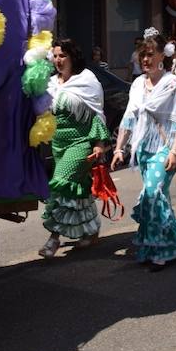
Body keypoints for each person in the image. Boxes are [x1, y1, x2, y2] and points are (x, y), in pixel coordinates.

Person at [110, 28, 176, 269]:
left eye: (151, 54)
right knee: (159, 198)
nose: (145, 59)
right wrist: (119, 149)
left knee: (152, 194)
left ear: (163, 55)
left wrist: (175, 151)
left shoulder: (172, 82)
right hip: (143, 148)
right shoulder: (137, 84)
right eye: (143, 54)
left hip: (166, 146)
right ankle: (168, 243)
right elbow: (129, 117)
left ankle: (161, 248)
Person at [38, 39, 109, 258]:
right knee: (76, 188)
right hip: (58, 145)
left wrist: (99, 144)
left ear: (72, 57)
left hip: (81, 143)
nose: (58, 60)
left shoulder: (86, 80)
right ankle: (91, 230)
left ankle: (53, 238)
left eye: (63, 56)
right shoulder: (51, 83)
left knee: (61, 183)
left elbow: (96, 114)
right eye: (55, 56)